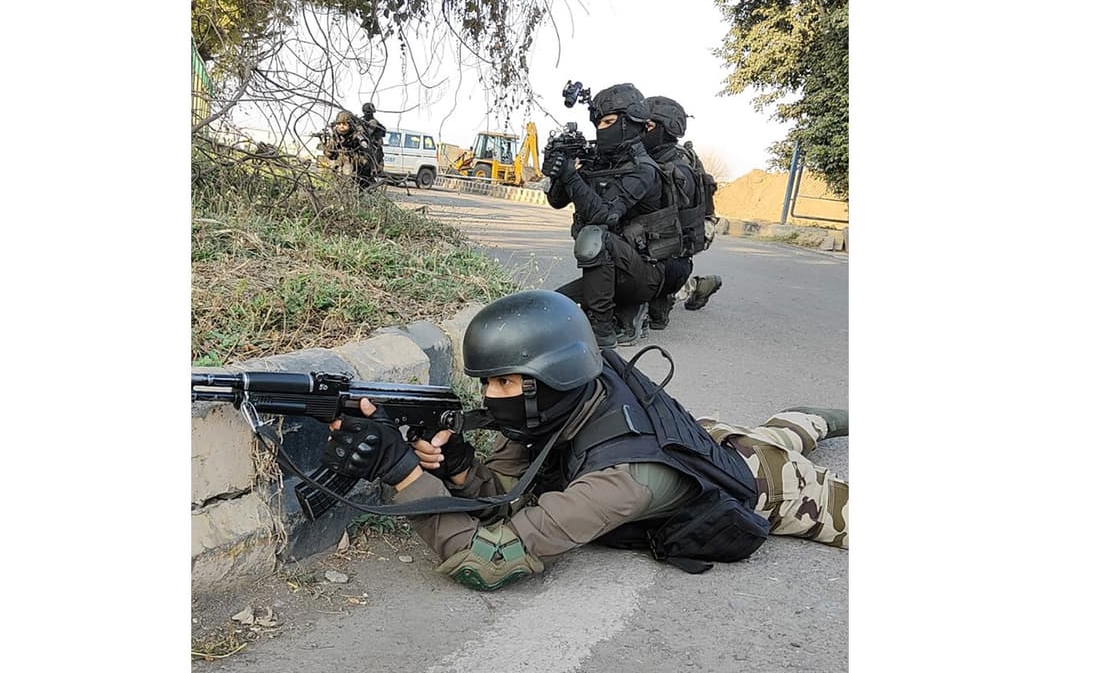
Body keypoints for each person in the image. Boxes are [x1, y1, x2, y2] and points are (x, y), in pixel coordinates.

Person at [322, 289, 848, 591]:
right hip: (705, 436)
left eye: (504, 381)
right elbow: (504, 497)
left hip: (769, 483)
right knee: (782, 428)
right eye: (487, 381)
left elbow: (486, 561)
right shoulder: (560, 401)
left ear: (554, 375)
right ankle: (812, 417)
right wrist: (459, 468)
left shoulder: (620, 482)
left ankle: (814, 422)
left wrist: (404, 475)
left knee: (800, 469)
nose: (490, 394)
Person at [543, 83, 690, 349]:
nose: (602, 129)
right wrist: (557, 172)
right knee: (550, 307)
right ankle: (626, 310)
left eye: (609, 121)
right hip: (613, 272)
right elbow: (556, 201)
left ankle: (603, 328)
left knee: (594, 236)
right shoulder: (600, 161)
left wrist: (570, 175)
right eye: (598, 123)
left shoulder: (644, 169)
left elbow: (604, 216)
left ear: (630, 123)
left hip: (646, 274)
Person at [636, 95, 722, 334]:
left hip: (690, 233)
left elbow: (665, 224)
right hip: (682, 233)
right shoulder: (658, 156)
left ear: (665, 128)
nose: (641, 131)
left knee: (648, 261)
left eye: (648, 126)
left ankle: (687, 287)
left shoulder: (675, 164)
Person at [322, 110, 376, 188]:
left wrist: (359, 160)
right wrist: (329, 146)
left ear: (350, 125)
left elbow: (367, 156)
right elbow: (330, 155)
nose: (341, 126)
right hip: (340, 172)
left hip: (358, 174)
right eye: (339, 124)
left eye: (344, 124)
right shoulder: (335, 136)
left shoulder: (358, 136)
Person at [359, 102, 387, 182]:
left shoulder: (373, 122)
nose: (368, 114)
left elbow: (367, 133)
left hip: (373, 149)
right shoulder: (362, 120)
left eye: (369, 112)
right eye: (367, 112)